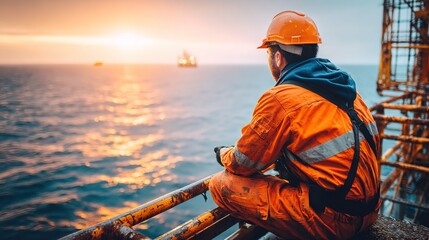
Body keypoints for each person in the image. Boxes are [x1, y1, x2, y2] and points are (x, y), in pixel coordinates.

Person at [209, 10, 381, 239]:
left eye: (269, 53)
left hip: (338, 222)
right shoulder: (346, 89)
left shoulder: (281, 98)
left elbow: (243, 162)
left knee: (221, 184)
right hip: (370, 211)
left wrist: (224, 154)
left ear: (278, 57)